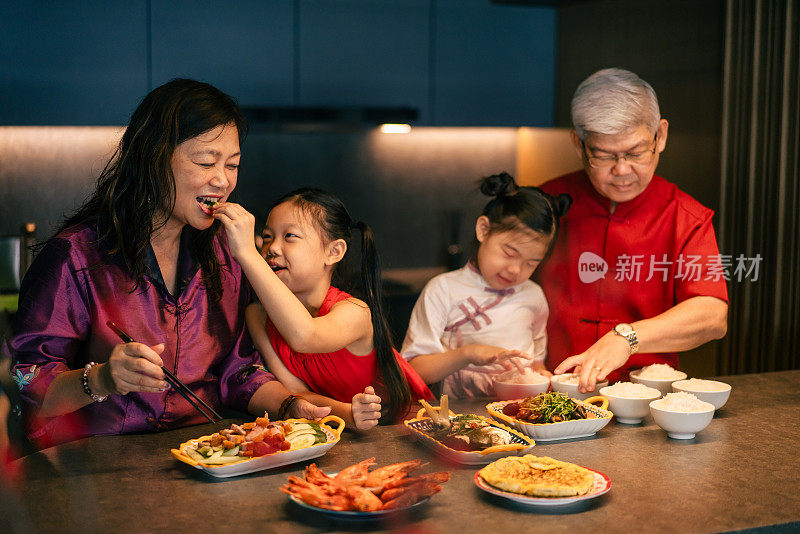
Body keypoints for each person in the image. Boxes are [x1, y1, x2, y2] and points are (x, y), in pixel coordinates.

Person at [5, 79, 328, 449]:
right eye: (206, 161)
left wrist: (290, 405)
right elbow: (28, 383)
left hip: (203, 458)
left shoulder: (226, 254)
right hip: (96, 475)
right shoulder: (76, 255)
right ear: (153, 157)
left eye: (233, 164)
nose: (222, 180)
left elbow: (236, 371)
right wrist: (104, 379)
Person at [538, 68, 729, 392]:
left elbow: (712, 316)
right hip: (551, 393)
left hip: (645, 401)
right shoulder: (547, 205)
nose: (622, 170)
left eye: (636, 152)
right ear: (578, 144)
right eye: (603, 155)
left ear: (661, 136)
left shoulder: (687, 217)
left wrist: (627, 337)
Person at [212, 188, 433, 431]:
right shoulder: (257, 315)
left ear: (333, 252)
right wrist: (347, 413)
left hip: (408, 428)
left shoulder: (355, 312)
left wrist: (246, 254)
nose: (272, 248)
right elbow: (295, 392)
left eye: (290, 236)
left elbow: (305, 336)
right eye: (266, 237)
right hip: (338, 430)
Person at [400, 172, 572, 398]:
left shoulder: (533, 295)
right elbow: (414, 370)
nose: (515, 270)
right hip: (458, 416)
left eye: (531, 263)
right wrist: (469, 353)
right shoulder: (443, 289)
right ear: (483, 230)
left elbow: (536, 364)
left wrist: (544, 377)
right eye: (509, 253)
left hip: (519, 414)